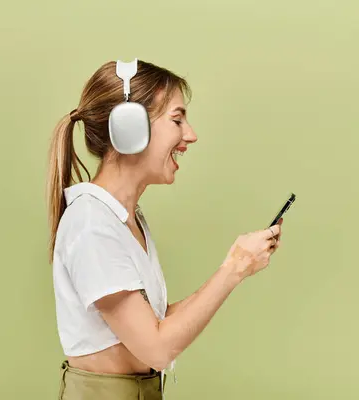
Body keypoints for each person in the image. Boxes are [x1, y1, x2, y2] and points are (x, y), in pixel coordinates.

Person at [46, 59, 283, 400]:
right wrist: (234, 269)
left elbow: (153, 322)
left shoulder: (126, 220)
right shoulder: (91, 225)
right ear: (129, 128)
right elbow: (156, 349)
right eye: (177, 119)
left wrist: (237, 266)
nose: (191, 135)